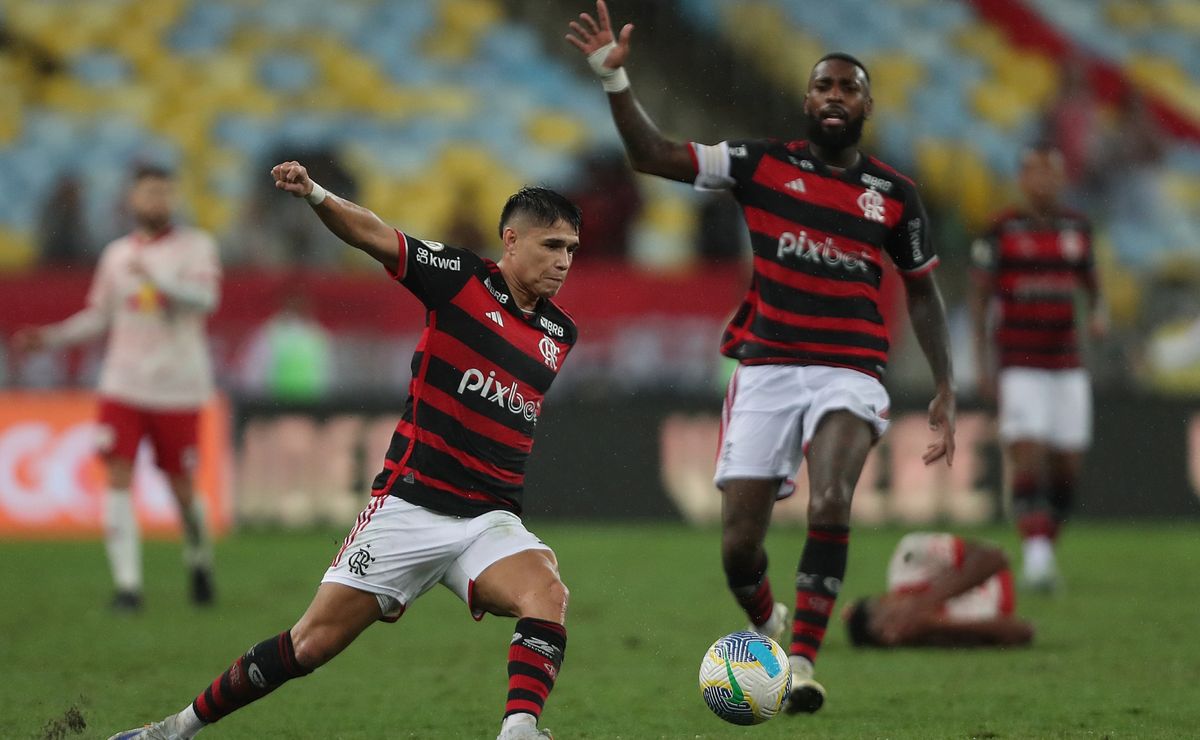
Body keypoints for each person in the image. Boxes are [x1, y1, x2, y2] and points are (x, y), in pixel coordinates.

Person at [566, 0, 956, 714]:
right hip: (767, 368)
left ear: (867, 103)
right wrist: (615, 82)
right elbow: (653, 156)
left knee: (833, 497)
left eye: (848, 86)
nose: (835, 96)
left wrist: (944, 384)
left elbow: (924, 293)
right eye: (824, 85)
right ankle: (767, 625)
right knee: (738, 547)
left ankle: (802, 663)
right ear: (807, 99)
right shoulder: (760, 165)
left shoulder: (894, 195)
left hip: (851, 368)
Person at [107, 165, 582, 740]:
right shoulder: (459, 279)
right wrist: (314, 194)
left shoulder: (560, 332)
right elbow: (373, 233)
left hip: (488, 516)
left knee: (547, 591)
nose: (564, 261)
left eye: (572, 249)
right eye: (552, 245)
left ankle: (519, 729)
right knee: (310, 644)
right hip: (411, 507)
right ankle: (172, 731)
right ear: (512, 240)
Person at [15, 164, 220, 612]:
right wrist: (48, 337)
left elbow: (207, 300)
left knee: (182, 486)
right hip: (123, 385)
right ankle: (128, 587)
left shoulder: (196, 247)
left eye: (165, 192)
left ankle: (199, 560)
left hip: (178, 387)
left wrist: (157, 279)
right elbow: (99, 316)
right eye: (149, 192)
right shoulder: (115, 256)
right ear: (132, 200)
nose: (158, 200)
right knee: (117, 475)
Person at [970, 143, 1104, 592]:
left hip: (1067, 364)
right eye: (1033, 171)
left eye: (1050, 172)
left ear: (1061, 179)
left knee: (1067, 467)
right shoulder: (1002, 230)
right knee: (1027, 453)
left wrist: (1099, 313)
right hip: (1019, 361)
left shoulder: (1077, 228)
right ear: (1021, 179)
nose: (1042, 180)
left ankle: (1045, 547)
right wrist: (983, 363)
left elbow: (1092, 284)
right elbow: (980, 298)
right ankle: (1036, 557)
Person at [842, 533, 1034, 648]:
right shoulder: (937, 636)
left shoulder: (908, 558)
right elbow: (1023, 632)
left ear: (886, 600)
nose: (895, 632)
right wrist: (936, 624)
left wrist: (925, 603)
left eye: (888, 621)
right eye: (889, 637)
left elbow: (995, 556)